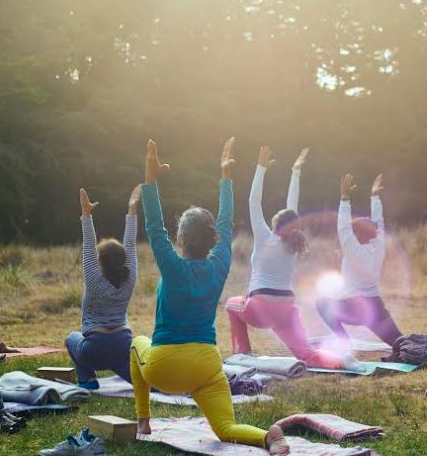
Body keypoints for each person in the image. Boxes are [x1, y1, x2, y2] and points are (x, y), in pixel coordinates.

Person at [131, 138, 289, 455]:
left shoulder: (172, 266)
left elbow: (153, 226)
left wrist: (150, 181)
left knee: (136, 341)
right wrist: (226, 179)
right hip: (206, 365)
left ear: (180, 238)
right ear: (212, 239)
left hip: (165, 368)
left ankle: (143, 421)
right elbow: (226, 225)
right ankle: (267, 436)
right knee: (225, 429)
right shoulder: (219, 266)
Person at [226, 146, 343, 368]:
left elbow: (253, 201)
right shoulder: (293, 243)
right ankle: (344, 361)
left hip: (260, 307)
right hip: (287, 310)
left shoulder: (265, 237)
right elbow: (293, 207)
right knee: (306, 353)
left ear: (275, 223)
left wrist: (260, 168)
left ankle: (244, 355)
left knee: (232, 306)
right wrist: (295, 172)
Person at [316, 173, 403, 348]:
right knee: (401, 343)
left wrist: (344, 198)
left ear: (359, 234)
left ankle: (344, 341)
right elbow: (379, 221)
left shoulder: (353, 250)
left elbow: (343, 227)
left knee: (322, 303)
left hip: (353, 308)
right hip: (375, 308)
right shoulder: (378, 245)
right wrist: (374, 197)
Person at [65, 185, 139, 389]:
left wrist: (86, 215)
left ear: (100, 261)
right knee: (146, 382)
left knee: (71, 338)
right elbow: (131, 245)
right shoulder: (130, 278)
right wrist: (132, 211)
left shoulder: (94, 280)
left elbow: (88, 244)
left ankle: (88, 380)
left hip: (94, 350)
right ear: (123, 260)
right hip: (123, 345)